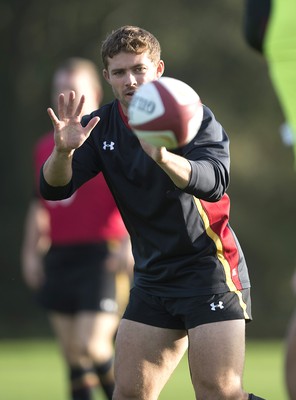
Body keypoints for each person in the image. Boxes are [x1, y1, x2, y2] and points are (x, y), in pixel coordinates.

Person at [39, 26, 265, 400]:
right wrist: (62, 154)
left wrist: (162, 157)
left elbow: (214, 180)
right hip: (153, 277)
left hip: (208, 269)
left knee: (219, 392)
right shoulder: (100, 125)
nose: (131, 81)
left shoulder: (191, 115)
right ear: (107, 77)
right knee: (128, 393)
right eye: (120, 72)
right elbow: (54, 188)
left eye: (139, 69)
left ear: (158, 69)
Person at [21, 57, 133, 400]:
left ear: (96, 93)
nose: (67, 97)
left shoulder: (113, 141)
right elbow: (40, 204)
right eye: (60, 91)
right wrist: (31, 253)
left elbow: (135, 198)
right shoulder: (45, 146)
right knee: (73, 354)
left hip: (104, 256)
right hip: (60, 256)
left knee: (92, 344)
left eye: (76, 91)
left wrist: (129, 245)